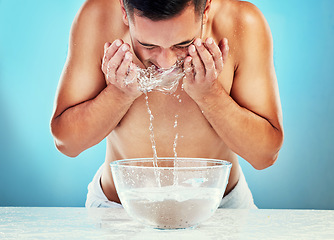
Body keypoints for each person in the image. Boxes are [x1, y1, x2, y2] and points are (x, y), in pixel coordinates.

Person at [50, 0, 284, 208]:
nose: (166, 62)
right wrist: (119, 94)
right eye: (148, 45)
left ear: (206, 8)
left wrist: (210, 95)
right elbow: (67, 143)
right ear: (124, 10)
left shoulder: (241, 23)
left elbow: (265, 155)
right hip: (119, 210)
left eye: (182, 44)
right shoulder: (98, 17)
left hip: (220, 208)